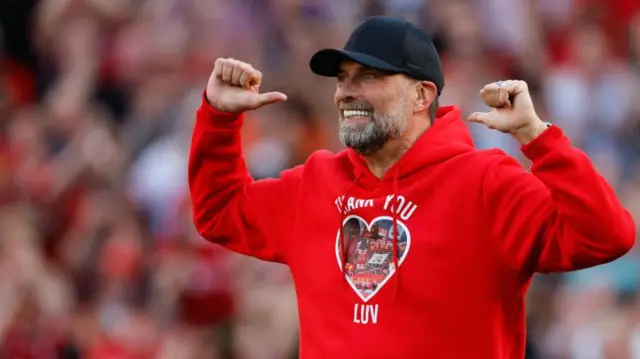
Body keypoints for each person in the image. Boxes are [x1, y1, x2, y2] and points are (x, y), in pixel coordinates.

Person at [188, 16, 635, 359]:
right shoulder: (315, 183)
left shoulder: (486, 184)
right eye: (342, 78)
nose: (346, 92)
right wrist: (219, 118)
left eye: (369, 77)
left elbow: (606, 236)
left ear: (422, 96)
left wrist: (539, 139)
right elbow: (219, 212)